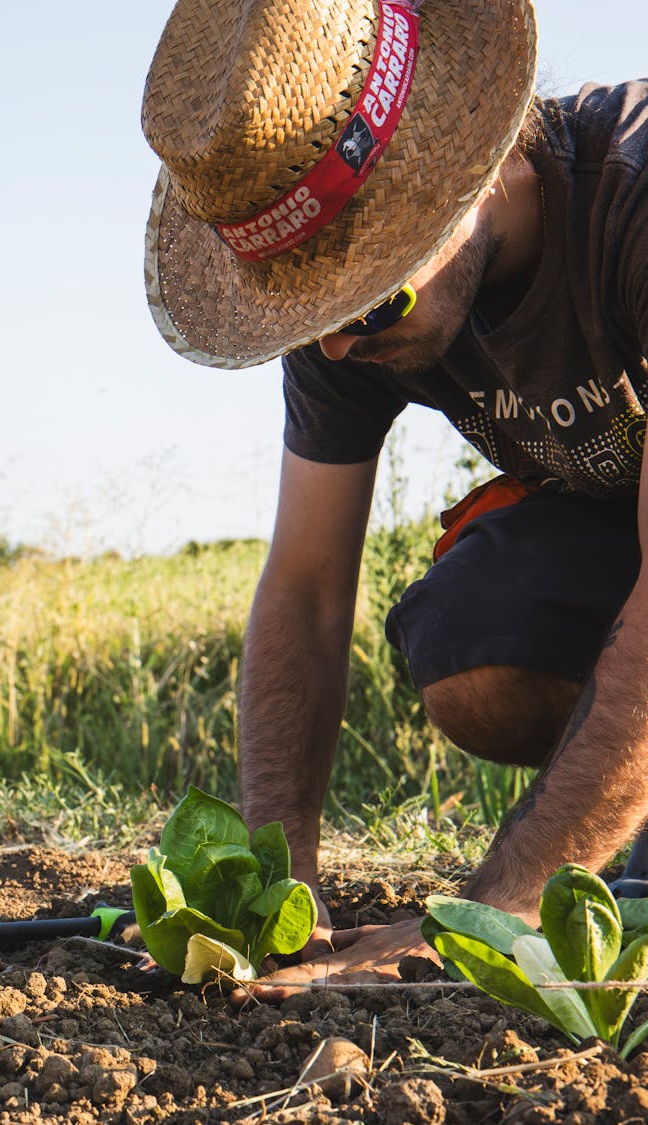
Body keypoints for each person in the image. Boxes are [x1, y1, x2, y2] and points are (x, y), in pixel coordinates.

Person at [141, 0, 648, 997]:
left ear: (485, 166)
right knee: (475, 637)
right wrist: (278, 893)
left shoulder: (633, 204)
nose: (335, 343)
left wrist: (491, 913)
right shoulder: (349, 333)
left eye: (367, 297)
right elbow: (307, 589)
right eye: (311, 308)